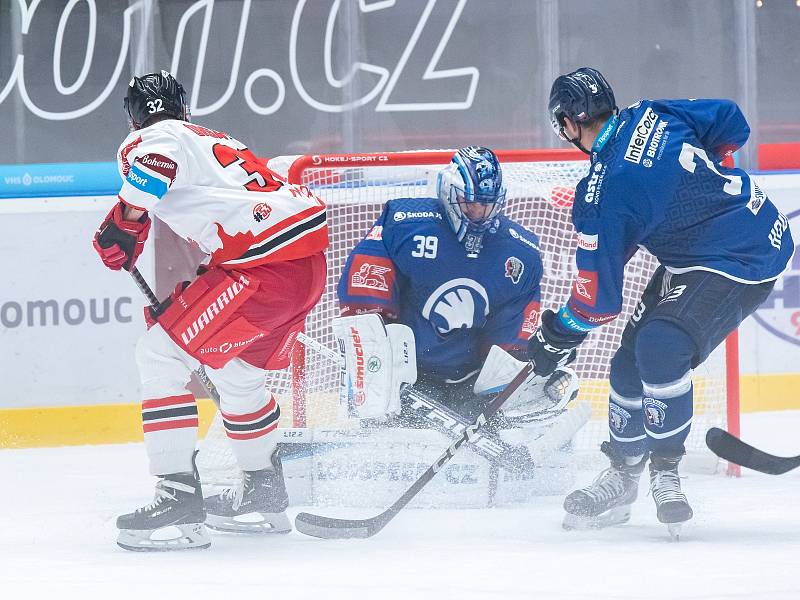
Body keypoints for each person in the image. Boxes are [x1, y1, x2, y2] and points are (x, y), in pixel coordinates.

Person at [528, 67, 794, 536]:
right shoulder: (652, 113)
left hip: (741, 258)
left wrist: (557, 335)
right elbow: (731, 121)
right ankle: (623, 475)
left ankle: (666, 470)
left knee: (660, 347)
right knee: (626, 366)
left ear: (569, 122)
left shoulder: (602, 193)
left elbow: (597, 304)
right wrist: (704, 185)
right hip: (727, 239)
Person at [93, 71, 328, 551]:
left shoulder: (149, 139)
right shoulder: (214, 137)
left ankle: (177, 494)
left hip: (263, 269)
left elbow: (155, 165)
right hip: (305, 267)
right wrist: (194, 291)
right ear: (184, 106)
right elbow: (227, 219)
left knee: (159, 357)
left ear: (132, 115)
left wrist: (124, 221)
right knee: (239, 376)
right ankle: (263, 493)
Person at [335, 146, 560, 429]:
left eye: (487, 205)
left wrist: (492, 392)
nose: (478, 213)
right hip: (402, 376)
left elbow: (509, 341)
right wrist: (378, 371)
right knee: (385, 435)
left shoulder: (520, 254)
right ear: (449, 191)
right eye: (469, 202)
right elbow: (363, 300)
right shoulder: (405, 224)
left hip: (465, 381)